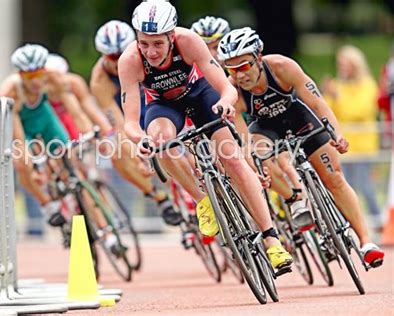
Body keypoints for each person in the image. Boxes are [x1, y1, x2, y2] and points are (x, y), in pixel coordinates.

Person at [119, 0, 293, 270]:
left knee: (233, 160)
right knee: (159, 142)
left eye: (158, 44)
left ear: (171, 36)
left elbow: (227, 87)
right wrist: (140, 138)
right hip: (163, 106)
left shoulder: (189, 41)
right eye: (144, 43)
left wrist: (225, 102)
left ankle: (272, 239)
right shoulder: (129, 61)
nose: (150, 52)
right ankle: (203, 202)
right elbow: (130, 122)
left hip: (201, 95)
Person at [217, 27, 384, 267]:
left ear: (258, 58)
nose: (239, 75)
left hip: (298, 116)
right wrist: (258, 168)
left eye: (244, 66)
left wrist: (336, 133)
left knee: (334, 178)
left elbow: (318, 103)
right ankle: (295, 198)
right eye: (231, 69)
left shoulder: (283, 67)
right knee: (259, 155)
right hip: (264, 127)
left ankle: (366, 242)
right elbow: (243, 140)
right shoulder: (233, 91)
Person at [191, 17, 312, 231]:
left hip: (252, 115)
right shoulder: (197, 71)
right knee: (235, 164)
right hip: (227, 123)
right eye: (205, 46)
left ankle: (298, 196)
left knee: (280, 156)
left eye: (215, 46)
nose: (211, 53)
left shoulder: (239, 62)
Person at [90, 20, 182, 226]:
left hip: (156, 104)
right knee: (118, 153)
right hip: (128, 114)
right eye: (111, 57)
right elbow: (118, 123)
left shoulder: (145, 57)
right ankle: (158, 197)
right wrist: (136, 154)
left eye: (121, 54)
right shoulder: (100, 81)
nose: (117, 61)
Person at [0, 43, 92, 225]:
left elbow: (75, 111)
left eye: (39, 75)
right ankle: (46, 203)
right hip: (22, 124)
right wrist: (29, 158)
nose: (35, 82)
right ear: (19, 75)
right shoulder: (10, 90)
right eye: (29, 76)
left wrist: (89, 133)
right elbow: (16, 134)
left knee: (68, 157)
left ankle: (72, 188)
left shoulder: (54, 79)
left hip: (45, 118)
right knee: (22, 163)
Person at [322, 45, 383, 230]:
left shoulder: (368, 84)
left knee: (365, 185)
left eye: (345, 64)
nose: (341, 68)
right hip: (342, 146)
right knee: (345, 187)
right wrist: (330, 95)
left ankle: (377, 221)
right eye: (340, 64)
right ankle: (349, 223)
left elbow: (360, 111)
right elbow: (326, 111)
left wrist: (337, 97)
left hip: (363, 146)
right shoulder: (337, 85)